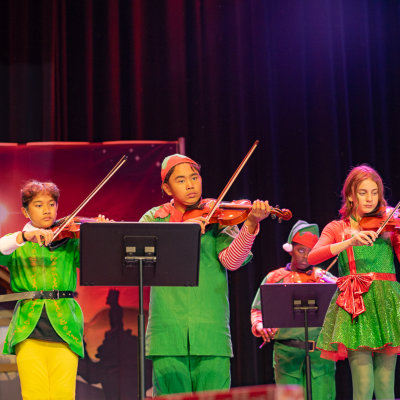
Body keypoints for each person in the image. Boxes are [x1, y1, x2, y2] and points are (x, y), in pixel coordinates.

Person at [140, 153, 271, 396]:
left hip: (211, 331)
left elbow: (232, 261)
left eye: (194, 177)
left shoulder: (217, 217)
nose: (190, 185)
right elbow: (144, 262)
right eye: (180, 180)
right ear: (166, 187)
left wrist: (250, 226)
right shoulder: (153, 218)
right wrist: (184, 231)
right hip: (167, 331)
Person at [0, 180, 108, 400]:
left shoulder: (68, 240)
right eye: (38, 205)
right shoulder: (17, 243)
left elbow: (97, 265)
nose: (47, 210)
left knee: (63, 394)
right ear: (25, 211)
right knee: (34, 394)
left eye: (51, 204)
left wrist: (100, 234)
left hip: (65, 324)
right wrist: (24, 236)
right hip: (28, 327)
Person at [308, 165, 400, 400]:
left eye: (374, 192)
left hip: (387, 303)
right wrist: (349, 241)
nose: (370, 199)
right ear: (350, 195)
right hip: (356, 304)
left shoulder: (389, 226)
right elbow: (312, 256)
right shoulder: (338, 228)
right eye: (363, 192)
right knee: (363, 385)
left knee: (386, 386)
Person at [251, 220, 336, 399]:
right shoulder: (275, 278)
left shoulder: (325, 277)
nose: (305, 256)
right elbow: (257, 311)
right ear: (291, 249)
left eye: (311, 252)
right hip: (287, 355)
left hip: (321, 356)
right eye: (301, 250)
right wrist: (260, 326)